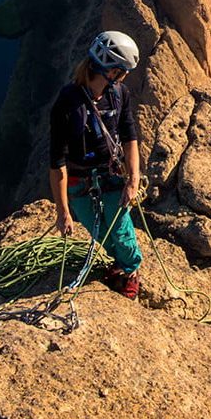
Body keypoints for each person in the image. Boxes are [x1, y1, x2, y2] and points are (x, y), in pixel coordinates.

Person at [49, 30, 143, 298]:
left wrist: (133, 181)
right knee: (97, 230)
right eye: (123, 72)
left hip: (111, 176)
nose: (124, 77)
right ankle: (119, 262)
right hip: (79, 180)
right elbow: (57, 162)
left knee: (120, 230)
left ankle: (130, 270)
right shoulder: (68, 103)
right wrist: (63, 212)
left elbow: (129, 136)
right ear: (111, 71)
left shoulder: (119, 94)